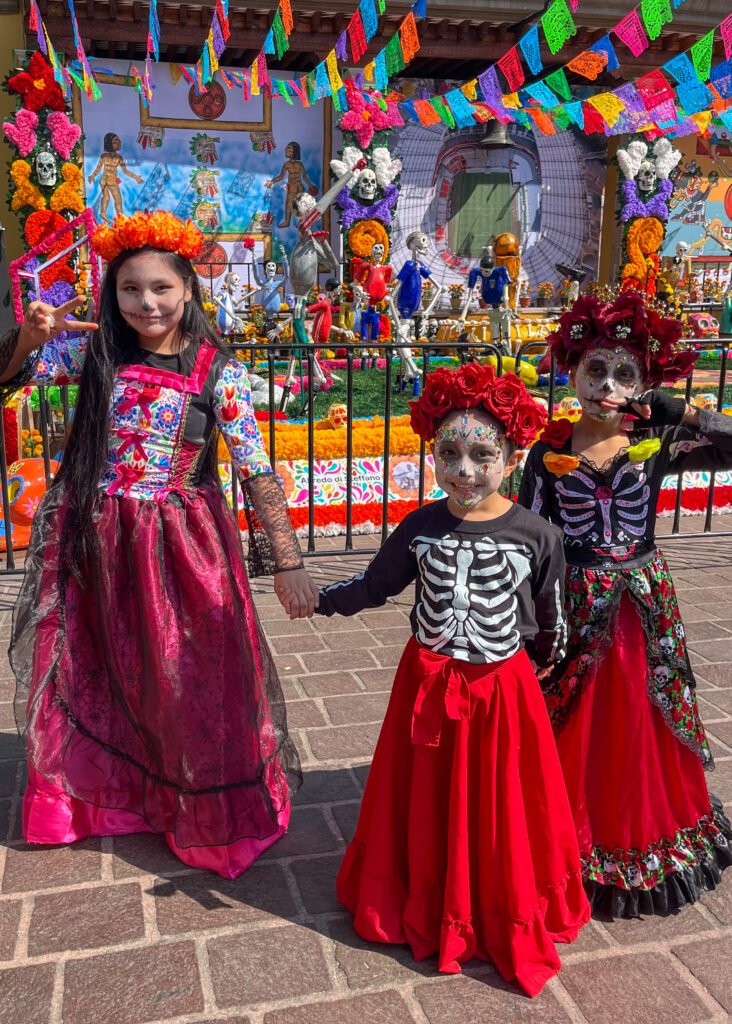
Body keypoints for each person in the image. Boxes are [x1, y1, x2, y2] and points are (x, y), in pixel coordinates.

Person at [1, 210, 319, 879]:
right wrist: (29, 340)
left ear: (187, 292)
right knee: (104, 661)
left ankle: (202, 803)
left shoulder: (217, 374)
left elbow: (255, 468)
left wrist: (287, 562)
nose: (147, 302)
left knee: (190, 672)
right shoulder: (97, 354)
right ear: (112, 296)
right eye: (130, 290)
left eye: (161, 289)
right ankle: (104, 798)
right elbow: (12, 378)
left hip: (184, 543)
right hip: (98, 534)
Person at [316, 363, 590, 997]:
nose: (464, 470)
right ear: (432, 453)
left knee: (500, 802)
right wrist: (322, 600)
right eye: (449, 454)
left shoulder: (537, 534)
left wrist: (544, 665)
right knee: (426, 795)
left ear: (514, 455)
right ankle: (429, 889)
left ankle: (493, 902)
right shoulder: (420, 527)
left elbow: (553, 615)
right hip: (429, 685)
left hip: (501, 690)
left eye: (482, 454)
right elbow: (376, 585)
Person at [518, 290, 732, 917]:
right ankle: (565, 839)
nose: (606, 387)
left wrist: (685, 414)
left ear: (643, 384)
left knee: (640, 719)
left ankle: (636, 837)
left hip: (644, 607)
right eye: (595, 371)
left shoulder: (659, 444)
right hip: (576, 608)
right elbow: (528, 538)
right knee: (574, 719)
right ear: (572, 371)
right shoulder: (547, 456)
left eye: (624, 375)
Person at [87, 132, 144, 223]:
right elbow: (98, 168)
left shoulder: (118, 158)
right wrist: (92, 176)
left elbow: (125, 171)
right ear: (109, 144)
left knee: (109, 198)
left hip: (108, 180)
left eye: (118, 141)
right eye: (115, 141)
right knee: (115, 199)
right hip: (107, 180)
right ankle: (117, 218)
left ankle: (105, 214)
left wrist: (136, 177)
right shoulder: (105, 156)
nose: (119, 143)